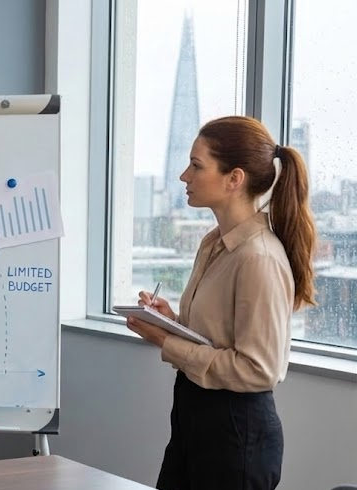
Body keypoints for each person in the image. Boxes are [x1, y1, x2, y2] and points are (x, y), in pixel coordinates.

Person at [126, 115, 316, 490]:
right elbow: (218, 338)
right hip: (193, 423)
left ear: (235, 179)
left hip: (235, 437)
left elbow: (258, 369)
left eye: (197, 166)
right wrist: (171, 320)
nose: (184, 176)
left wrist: (167, 341)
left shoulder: (258, 257)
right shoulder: (214, 243)